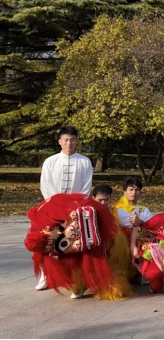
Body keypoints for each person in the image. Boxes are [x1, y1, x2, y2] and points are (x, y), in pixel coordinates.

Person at [24, 193, 128, 300]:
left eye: (105, 199)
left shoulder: (49, 215)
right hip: (71, 244)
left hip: (90, 234)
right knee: (73, 262)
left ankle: (84, 283)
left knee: (97, 256)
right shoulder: (44, 237)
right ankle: (79, 284)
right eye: (100, 200)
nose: (103, 202)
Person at [35, 125, 95, 292]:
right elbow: (46, 185)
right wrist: (57, 204)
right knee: (47, 240)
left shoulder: (84, 161)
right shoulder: (50, 161)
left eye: (72, 140)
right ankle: (45, 276)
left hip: (76, 208)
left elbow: (86, 187)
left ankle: (75, 277)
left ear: (77, 141)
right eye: (66, 140)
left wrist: (74, 206)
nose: (69, 143)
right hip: (52, 207)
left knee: (73, 242)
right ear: (59, 142)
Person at [111, 177, 154, 285]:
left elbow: (153, 226)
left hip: (139, 243)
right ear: (124, 192)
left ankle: (141, 273)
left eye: (137, 190)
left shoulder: (144, 210)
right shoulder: (116, 209)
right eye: (131, 189)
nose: (134, 192)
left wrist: (140, 222)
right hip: (121, 245)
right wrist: (138, 223)